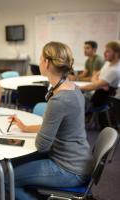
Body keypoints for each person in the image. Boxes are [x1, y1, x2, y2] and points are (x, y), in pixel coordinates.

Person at [8, 42, 93, 200]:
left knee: (7, 179)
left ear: (46, 62)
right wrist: (26, 127)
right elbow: (58, 127)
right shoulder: (73, 88)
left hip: (69, 168)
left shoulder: (59, 99)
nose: (40, 61)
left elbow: (42, 145)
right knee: (14, 165)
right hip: (79, 160)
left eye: (40, 58)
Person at [80, 41, 120, 109]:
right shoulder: (107, 63)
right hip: (94, 94)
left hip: (97, 101)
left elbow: (92, 86)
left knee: (70, 101)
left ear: (117, 53)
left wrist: (75, 88)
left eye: (108, 51)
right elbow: (95, 76)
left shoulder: (115, 70)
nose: (104, 53)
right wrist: (99, 85)